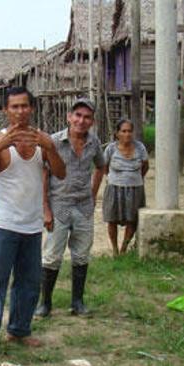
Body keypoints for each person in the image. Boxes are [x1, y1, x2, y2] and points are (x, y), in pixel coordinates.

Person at [0, 87, 65, 357]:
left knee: (28, 281)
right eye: (14, 107)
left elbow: (60, 173)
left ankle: (19, 329)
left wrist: (50, 148)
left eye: (24, 106)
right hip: (4, 224)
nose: (20, 111)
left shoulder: (42, 141)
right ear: (6, 110)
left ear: (32, 108)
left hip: (32, 225)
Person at [35, 98, 106, 317]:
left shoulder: (94, 143)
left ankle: (77, 302)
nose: (81, 121)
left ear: (92, 121)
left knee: (82, 254)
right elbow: (44, 174)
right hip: (59, 205)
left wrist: (93, 194)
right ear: (69, 117)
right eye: (78, 116)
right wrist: (45, 208)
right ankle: (45, 303)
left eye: (86, 117)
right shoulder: (53, 142)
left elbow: (101, 166)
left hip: (83, 207)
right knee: (52, 255)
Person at [101, 118, 149, 256]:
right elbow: (104, 166)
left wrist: (135, 178)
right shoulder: (111, 148)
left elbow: (145, 166)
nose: (127, 134)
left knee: (132, 220)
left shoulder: (140, 148)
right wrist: (112, 177)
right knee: (112, 219)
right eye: (124, 131)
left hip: (135, 188)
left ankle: (124, 248)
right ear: (117, 133)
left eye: (130, 131)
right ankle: (115, 250)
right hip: (114, 188)